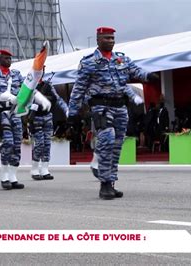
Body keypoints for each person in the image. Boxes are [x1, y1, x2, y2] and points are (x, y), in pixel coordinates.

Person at [67, 27, 159, 199]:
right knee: (106, 141)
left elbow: (136, 71)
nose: (111, 41)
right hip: (101, 107)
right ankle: (105, 184)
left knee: (116, 147)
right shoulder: (88, 62)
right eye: (107, 38)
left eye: (112, 38)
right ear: (98, 39)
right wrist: (72, 113)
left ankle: (111, 182)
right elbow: (78, 89)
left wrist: (149, 76)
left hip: (120, 108)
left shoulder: (121, 59)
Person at [0, 49, 26, 190]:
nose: (9, 61)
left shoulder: (16, 74)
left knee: (17, 145)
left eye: (10, 58)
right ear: (0, 59)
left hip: (16, 112)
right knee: (7, 143)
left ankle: (13, 177)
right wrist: (8, 97)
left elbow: (25, 89)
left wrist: (32, 99)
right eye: (6, 58)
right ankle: (4, 177)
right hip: (3, 113)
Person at [29, 67, 68, 180]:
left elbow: (57, 99)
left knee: (47, 144)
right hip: (36, 117)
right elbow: (25, 100)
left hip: (47, 117)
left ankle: (45, 169)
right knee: (39, 143)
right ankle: (35, 169)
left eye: (41, 72)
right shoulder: (29, 85)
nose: (39, 74)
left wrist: (66, 109)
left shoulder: (48, 85)